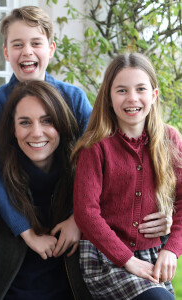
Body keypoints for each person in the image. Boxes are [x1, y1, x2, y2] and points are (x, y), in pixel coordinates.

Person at [0, 5, 172, 294]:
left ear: (50, 49)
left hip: (70, 224)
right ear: (5, 52)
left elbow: (109, 161)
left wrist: (81, 219)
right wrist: (25, 232)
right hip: (16, 226)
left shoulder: (73, 98)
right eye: (17, 44)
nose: (27, 51)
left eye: (36, 43)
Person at [72, 53, 182, 300]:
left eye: (140, 89)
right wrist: (127, 259)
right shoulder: (96, 146)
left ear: (153, 95)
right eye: (121, 90)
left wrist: (172, 250)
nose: (132, 98)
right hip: (105, 258)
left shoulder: (170, 140)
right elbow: (85, 212)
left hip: (152, 253)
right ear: (109, 99)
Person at [0, 80, 91, 299]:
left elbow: (128, 197)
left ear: (61, 124)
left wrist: (77, 218)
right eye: (25, 122)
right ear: (12, 129)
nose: (36, 132)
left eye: (47, 121)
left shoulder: (83, 177)